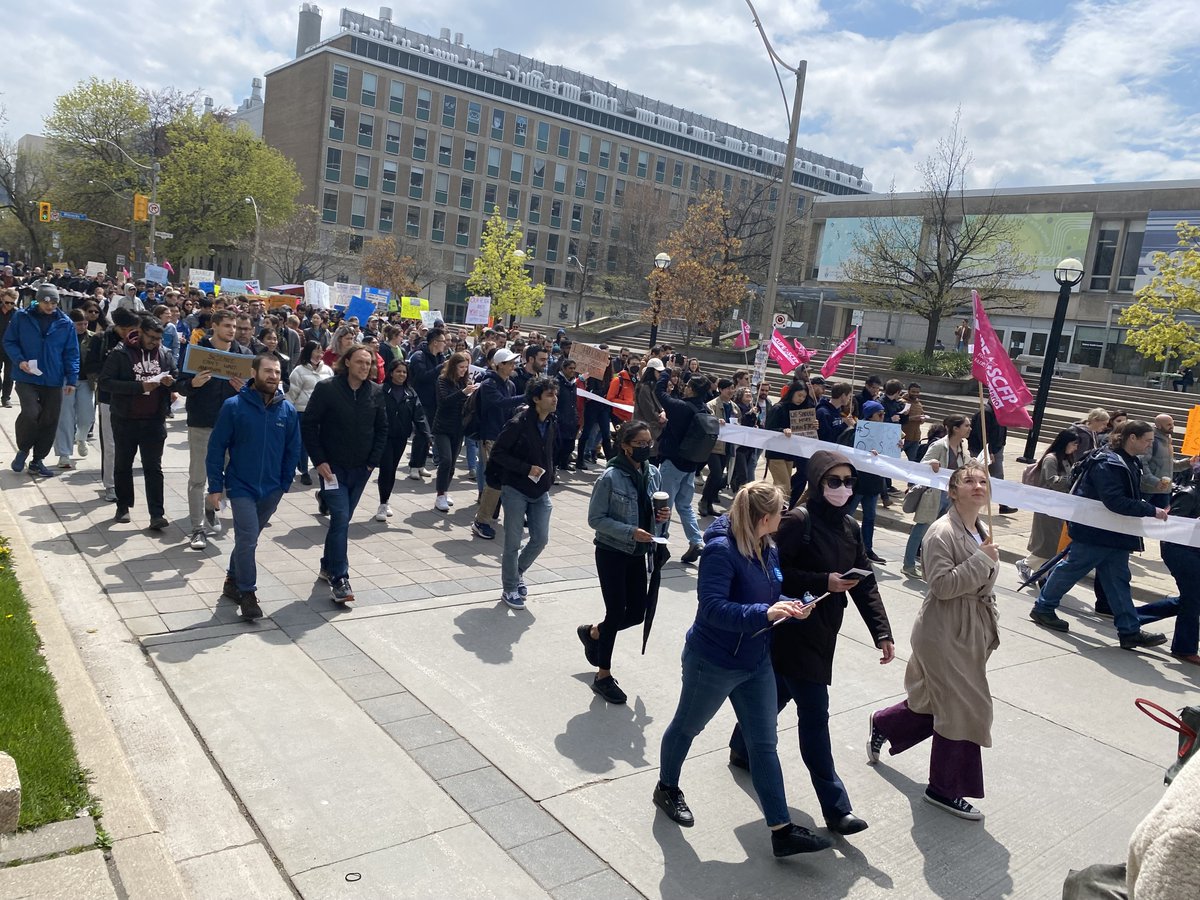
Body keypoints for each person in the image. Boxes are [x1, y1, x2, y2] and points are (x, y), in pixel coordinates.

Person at [654, 482, 833, 858]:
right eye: (781, 511)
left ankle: (782, 830)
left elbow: (768, 595)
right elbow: (711, 608)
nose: (785, 516)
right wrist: (764, 613)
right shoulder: (720, 550)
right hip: (713, 662)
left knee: (764, 744)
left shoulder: (768, 546)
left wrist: (792, 604)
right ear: (764, 517)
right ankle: (666, 788)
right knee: (687, 727)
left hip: (756, 661)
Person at [729, 451, 894, 835]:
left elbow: (865, 581)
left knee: (777, 696)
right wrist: (824, 581)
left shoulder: (850, 527)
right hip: (791, 630)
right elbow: (771, 573)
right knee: (815, 717)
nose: (842, 488)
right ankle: (836, 808)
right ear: (818, 482)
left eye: (848, 482)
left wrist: (882, 632)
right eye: (834, 481)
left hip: (822, 633)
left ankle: (741, 745)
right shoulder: (797, 521)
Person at [869, 460, 999, 821]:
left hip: (970, 629)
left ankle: (885, 724)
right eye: (968, 481)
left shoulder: (980, 528)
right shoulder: (941, 533)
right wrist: (981, 560)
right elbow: (941, 586)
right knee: (963, 708)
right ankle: (944, 788)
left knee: (934, 701)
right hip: (944, 631)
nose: (978, 486)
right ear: (952, 491)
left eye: (983, 481)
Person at [1030, 421, 1170, 649]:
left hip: (1113, 532)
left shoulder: (1126, 461)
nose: (1150, 445)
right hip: (1096, 532)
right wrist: (1150, 510)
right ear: (1132, 438)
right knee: (1072, 570)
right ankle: (1043, 608)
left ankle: (1130, 630)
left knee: (1117, 581)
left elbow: (1125, 495)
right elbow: (1115, 500)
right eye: (1147, 440)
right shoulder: (1107, 463)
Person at [578, 420, 671, 702]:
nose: (645, 447)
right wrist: (630, 531)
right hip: (612, 551)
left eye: (648, 443)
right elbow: (596, 519)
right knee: (616, 612)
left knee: (637, 613)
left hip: (638, 552)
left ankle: (594, 633)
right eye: (640, 443)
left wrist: (661, 518)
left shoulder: (653, 473)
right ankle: (602, 675)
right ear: (625, 446)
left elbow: (653, 513)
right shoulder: (609, 477)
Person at [206, 354, 301, 620]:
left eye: (277, 372)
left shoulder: (287, 410)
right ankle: (247, 593)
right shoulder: (233, 406)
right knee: (247, 539)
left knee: (248, 540)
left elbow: (293, 449)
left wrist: (284, 483)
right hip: (241, 486)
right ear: (254, 373)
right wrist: (215, 486)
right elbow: (216, 448)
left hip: (272, 489)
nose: (273, 376)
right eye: (268, 371)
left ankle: (231, 580)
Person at [301, 345, 388, 603]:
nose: (365, 367)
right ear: (347, 362)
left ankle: (327, 565)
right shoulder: (327, 388)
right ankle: (340, 578)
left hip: (361, 470)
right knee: (340, 517)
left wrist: (372, 463)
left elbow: (382, 428)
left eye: (368, 363)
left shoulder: (375, 392)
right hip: (332, 469)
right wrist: (319, 461)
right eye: (360, 361)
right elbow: (309, 425)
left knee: (342, 521)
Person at [175, 310, 253, 550]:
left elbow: (255, 392)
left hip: (233, 427)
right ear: (215, 326)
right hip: (202, 423)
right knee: (198, 478)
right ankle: (197, 529)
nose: (232, 330)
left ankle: (210, 505)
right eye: (227, 325)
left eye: (234, 326)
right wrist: (193, 383)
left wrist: (245, 389)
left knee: (232, 478)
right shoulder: (197, 352)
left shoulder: (244, 355)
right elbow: (180, 385)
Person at [488, 376, 558, 610]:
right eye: (549, 395)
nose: (555, 399)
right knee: (513, 541)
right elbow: (498, 453)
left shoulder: (551, 421)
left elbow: (549, 452)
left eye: (555, 394)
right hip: (515, 489)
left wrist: (550, 475)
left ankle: (517, 572)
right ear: (536, 399)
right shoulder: (518, 423)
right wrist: (526, 468)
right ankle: (509, 587)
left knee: (540, 539)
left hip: (540, 490)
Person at [99, 316, 176, 529]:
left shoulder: (164, 353)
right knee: (123, 464)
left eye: (159, 339)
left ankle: (157, 514)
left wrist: (171, 384)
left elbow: (175, 376)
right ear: (140, 332)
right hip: (125, 419)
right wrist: (139, 387)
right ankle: (123, 506)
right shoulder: (120, 352)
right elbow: (105, 382)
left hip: (154, 420)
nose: (155, 342)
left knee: (153, 468)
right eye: (151, 337)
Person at [4, 284, 80, 477]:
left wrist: (71, 379)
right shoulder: (22, 317)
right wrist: (19, 360)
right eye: (46, 302)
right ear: (38, 300)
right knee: (31, 413)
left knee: (49, 420)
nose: (50, 306)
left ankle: (37, 460)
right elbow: (9, 341)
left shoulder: (65, 323)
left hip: (53, 378)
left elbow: (71, 353)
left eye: (54, 302)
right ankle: (23, 449)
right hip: (26, 376)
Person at [655, 368, 714, 565]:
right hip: (690, 464)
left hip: (672, 462)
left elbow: (659, 392)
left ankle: (659, 543)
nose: (685, 387)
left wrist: (665, 371)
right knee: (685, 505)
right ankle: (696, 541)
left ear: (692, 389)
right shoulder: (704, 409)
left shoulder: (681, 407)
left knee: (663, 506)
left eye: (687, 385)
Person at [902, 414, 971, 579]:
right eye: (966, 426)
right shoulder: (940, 445)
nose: (970, 429)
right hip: (934, 495)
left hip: (951, 496)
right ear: (956, 428)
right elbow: (922, 464)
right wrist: (931, 463)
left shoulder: (962, 448)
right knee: (921, 529)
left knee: (938, 532)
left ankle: (928, 565)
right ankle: (908, 564)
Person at [471, 348, 522, 538]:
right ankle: (481, 520)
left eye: (513, 362)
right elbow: (500, 403)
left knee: (501, 478)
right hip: (490, 435)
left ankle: (492, 514)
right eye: (509, 363)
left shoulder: (510, 384)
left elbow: (510, 409)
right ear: (500, 365)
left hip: (504, 436)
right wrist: (527, 397)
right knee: (494, 478)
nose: (513, 366)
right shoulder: (488, 384)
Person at [1017, 429, 1078, 582]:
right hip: (1047, 505)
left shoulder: (1067, 459)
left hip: (1060, 506)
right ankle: (1027, 564)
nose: (1075, 448)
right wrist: (1071, 478)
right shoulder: (1051, 459)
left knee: (1054, 542)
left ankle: (1040, 572)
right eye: (1073, 444)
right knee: (1048, 541)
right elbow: (1052, 480)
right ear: (1065, 443)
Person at [375, 358, 431, 520]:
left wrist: (427, 435)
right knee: (386, 468)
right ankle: (382, 503)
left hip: (400, 437)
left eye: (404, 372)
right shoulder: (381, 390)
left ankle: (385, 501)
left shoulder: (411, 393)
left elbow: (419, 416)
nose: (401, 374)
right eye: (398, 371)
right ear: (391, 373)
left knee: (392, 469)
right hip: (383, 436)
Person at [838, 400, 889, 563]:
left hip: (874, 482)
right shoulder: (855, 432)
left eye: (883, 414)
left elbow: (888, 455)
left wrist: (896, 445)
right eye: (879, 414)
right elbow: (845, 450)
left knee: (870, 518)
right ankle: (842, 545)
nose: (882, 418)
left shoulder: (885, 432)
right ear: (870, 416)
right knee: (847, 516)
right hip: (858, 482)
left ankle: (867, 549)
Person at [430, 352, 476, 512]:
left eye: (466, 367)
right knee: (446, 460)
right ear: (453, 366)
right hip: (442, 427)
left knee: (452, 463)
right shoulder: (442, 380)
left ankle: (444, 491)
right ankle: (440, 495)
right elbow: (444, 401)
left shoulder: (465, 381)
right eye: (461, 367)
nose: (464, 370)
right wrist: (463, 392)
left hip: (458, 428)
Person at [285, 341, 333, 486]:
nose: (319, 354)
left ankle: (322, 467)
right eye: (316, 351)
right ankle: (304, 471)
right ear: (308, 352)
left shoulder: (328, 370)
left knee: (323, 442)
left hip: (323, 414)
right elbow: (292, 393)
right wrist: (289, 412)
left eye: (321, 351)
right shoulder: (299, 371)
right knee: (303, 444)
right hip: (303, 412)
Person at [53, 309, 96, 469]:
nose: (82, 327)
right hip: (65, 380)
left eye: (85, 324)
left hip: (86, 381)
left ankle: (81, 437)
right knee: (65, 417)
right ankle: (64, 454)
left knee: (87, 416)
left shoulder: (93, 338)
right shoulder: (62, 336)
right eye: (79, 324)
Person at [764, 382, 812, 495]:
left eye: (804, 396)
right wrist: (782, 431)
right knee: (784, 488)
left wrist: (812, 425)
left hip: (789, 453)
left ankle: (771, 504)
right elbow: (768, 430)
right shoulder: (778, 408)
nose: (801, 399)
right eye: (799, 395)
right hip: (775, 453)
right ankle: (779, 506)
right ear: (792, 393)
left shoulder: (801, 410)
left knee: (780, 487)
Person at [699, 377, 737, 518]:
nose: (731, 391)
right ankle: (703, 500)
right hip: (714, 446)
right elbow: (707, 420)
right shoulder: (712, 404)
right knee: (715, 473)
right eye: (727, 388)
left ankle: (708, 503)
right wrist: (716, 420)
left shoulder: (734, 407)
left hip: (728, 445)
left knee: (718, 475)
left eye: (732, 388)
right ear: (720, 389)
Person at [969, 400, 1015, 513]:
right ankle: (970, 502)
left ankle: (1003, 504)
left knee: (997, 476)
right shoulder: (985, 412)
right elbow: (982, 434)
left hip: (996, 448)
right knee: (979, 475)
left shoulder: (999, 412)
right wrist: (989, 451)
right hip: (983, 450)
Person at [1140, 414, 1189, 509]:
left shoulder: (1167, 440)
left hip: (1164, 491)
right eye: (1168, 424)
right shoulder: (1151, 440)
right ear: (1158, 426)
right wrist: (1155, 481)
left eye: (1173, 423)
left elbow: (1170, 465)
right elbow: (1142, 463)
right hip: (1149, 491)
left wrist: (1188, 463)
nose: (1172, 426)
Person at [553, 358, 581, 470]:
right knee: (557, 444)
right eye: (570, 368)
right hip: (560, 418)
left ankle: (564, 463)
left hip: (571, 418)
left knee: (569, 444)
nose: (572, 371)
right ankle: (554, 466)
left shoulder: (573, 383)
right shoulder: (557, 382)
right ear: (563, 369)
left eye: (574, 368)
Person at [900, 383, 927, 461]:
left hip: (915, 438)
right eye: (913, 392)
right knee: (892, 458)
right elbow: (899, 418)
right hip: (903, 438)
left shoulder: (919, 404)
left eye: (917, 392)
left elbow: (921, 417)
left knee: (914, 462)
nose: (915, 394)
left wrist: (922, 420)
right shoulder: (902, 402)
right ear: (908, 391)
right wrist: (914, 418)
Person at [0, 287, 17, 407]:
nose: (9, 305)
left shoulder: (18, 314)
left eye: (12, 303)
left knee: (9, 374)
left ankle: (6, 398)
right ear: (2, 299)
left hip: (11, 349)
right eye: (7, 302)